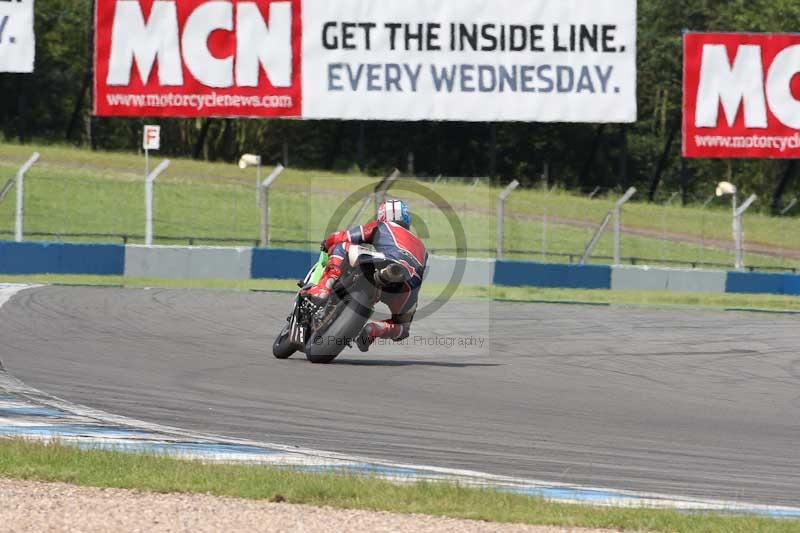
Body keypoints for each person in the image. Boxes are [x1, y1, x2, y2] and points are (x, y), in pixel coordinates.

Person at [303, 200, 428, 352]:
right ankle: (376, 329)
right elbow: (420, 276)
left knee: (342, 247)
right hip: (408, 286)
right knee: (402, 328)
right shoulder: (423, 248)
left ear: (382, 215)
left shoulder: (381, 226)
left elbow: (346, 236)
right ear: (407, 219)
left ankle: (324, 287)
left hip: (384, 262)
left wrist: (328, 242)